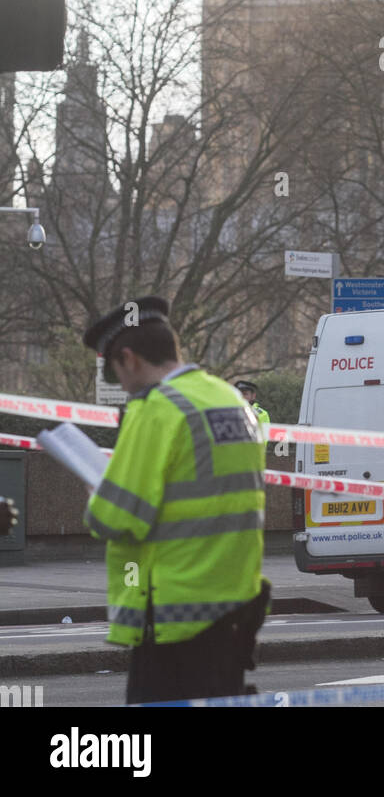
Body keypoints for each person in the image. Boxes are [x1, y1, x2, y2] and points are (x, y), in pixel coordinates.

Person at [82, 296, 269, 705]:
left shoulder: (156, 410)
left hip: (172, 618)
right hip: (235, 616)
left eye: (117, 373)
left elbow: (118, 516)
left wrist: (98, 494)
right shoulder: (233, 402)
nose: (123, 386)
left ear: (128, 358)